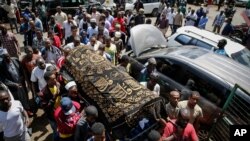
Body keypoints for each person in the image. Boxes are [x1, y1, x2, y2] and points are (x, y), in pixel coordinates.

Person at [0, 50, 33, 116]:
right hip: (13, 86)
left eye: (8, 56)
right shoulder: (1, 66)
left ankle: (28, 109)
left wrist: (23, 77)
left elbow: (22, 70)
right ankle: (22, 111)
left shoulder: (15, 60)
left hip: (21, 83)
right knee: (18, 98)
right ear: (2, 58)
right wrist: (14, 84)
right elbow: (4, 79)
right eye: (5, 57)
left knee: (25, 96)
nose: (7, 58)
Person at [38, 70, 61, 140]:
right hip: (52, 116)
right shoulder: (43, 93)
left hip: (60, 112)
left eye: (55, 78)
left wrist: (59, 88)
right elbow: (46, 107)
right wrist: (54, 96)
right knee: (56, 131)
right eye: (53, 79)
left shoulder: (57, 85)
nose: (55, 80)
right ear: (47, 81)